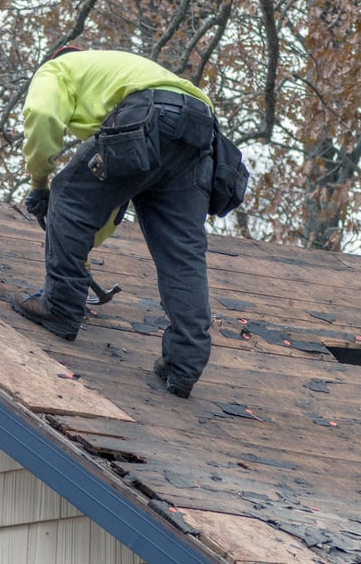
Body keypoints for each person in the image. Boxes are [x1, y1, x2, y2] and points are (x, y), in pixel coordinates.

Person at [12, 46, 216, 399]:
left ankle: (60, 307)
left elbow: (42, 115)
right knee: (182, 254)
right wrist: (82, 254)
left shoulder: (57, 69)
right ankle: (184, 365)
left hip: (152, 113)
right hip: (201, 129)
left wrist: (40, 183)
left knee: (67, 192)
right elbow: (106, 206)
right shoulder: (119, 71)